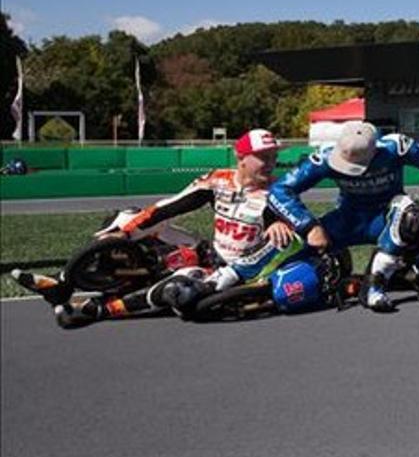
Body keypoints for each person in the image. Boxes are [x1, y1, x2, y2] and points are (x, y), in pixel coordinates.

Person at [13, 129, 298, 328]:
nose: (271, 162)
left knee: (179, 291)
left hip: (233, 271)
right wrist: (122, 234)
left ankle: (95, 309)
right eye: (264, 156)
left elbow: (290, 222)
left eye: (273, 155)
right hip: (208, 251)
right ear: (241, 158)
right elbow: (169, 207)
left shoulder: (279, 192)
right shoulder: (217, 181)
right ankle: (64, 282)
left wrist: (278, 222)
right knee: (127, 217)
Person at [268, 122, 419, 312]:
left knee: (406, 208)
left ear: (374, 150)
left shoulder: (395, 147)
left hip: (386, 218)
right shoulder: (325, 156)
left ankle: (375, 286)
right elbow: (279, 190)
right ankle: (258, 281)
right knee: (290, 243)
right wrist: (309, 226)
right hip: (347, 219)